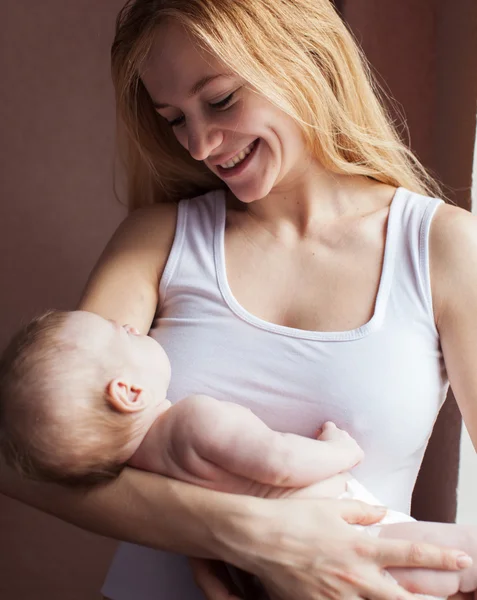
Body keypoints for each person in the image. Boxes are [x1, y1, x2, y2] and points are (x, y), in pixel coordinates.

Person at [1, 0, 477, 598]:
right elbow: (31, 456)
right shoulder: (159, 240)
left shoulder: (440, 247)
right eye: (174, 118)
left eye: (221, 100)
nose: (199, 145)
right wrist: (248, 535)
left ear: (305, 56)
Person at [1, 308, 477, 600]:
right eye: (120, 333)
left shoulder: (143, 466)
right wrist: (338, 451)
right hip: (345, 532)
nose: (131, 324)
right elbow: (279, 462)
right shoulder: (194, 419)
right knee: (459, 560)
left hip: (267, 578)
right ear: (128, 391)